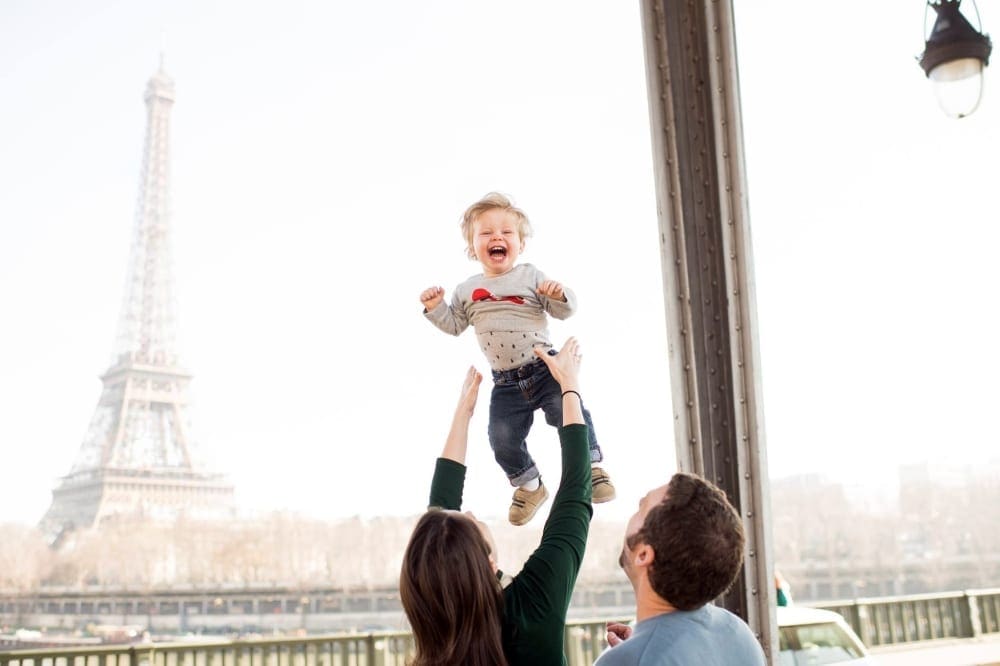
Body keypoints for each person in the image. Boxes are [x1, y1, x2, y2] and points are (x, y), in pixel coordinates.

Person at [419, 192, 614, 525]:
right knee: (501, 437)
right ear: (472, 247)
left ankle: (592, 467)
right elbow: (454, 325)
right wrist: (436, 307)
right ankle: (529, 485)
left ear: (520, 245)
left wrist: (559, 294)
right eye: (487, 233)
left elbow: (564, 311)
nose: (497, 237)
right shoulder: (467, 290)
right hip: (505, 382)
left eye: (507, 232)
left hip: (544, 367)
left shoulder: (530, 276)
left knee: (570, 413)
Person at [399, 338, 593, 666]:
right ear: (490, 566)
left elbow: (441, 525)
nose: (470, 512)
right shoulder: (532, 608)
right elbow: (575, 493)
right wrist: (568, 386)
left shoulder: (437, 628)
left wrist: (464, 412)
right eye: (472, 521)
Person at [595, 473, 766, 666]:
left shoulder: (624, 661)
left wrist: (633, 655)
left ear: (643, 555)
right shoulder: (738, 633)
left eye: (641, 506)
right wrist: (638, 647)